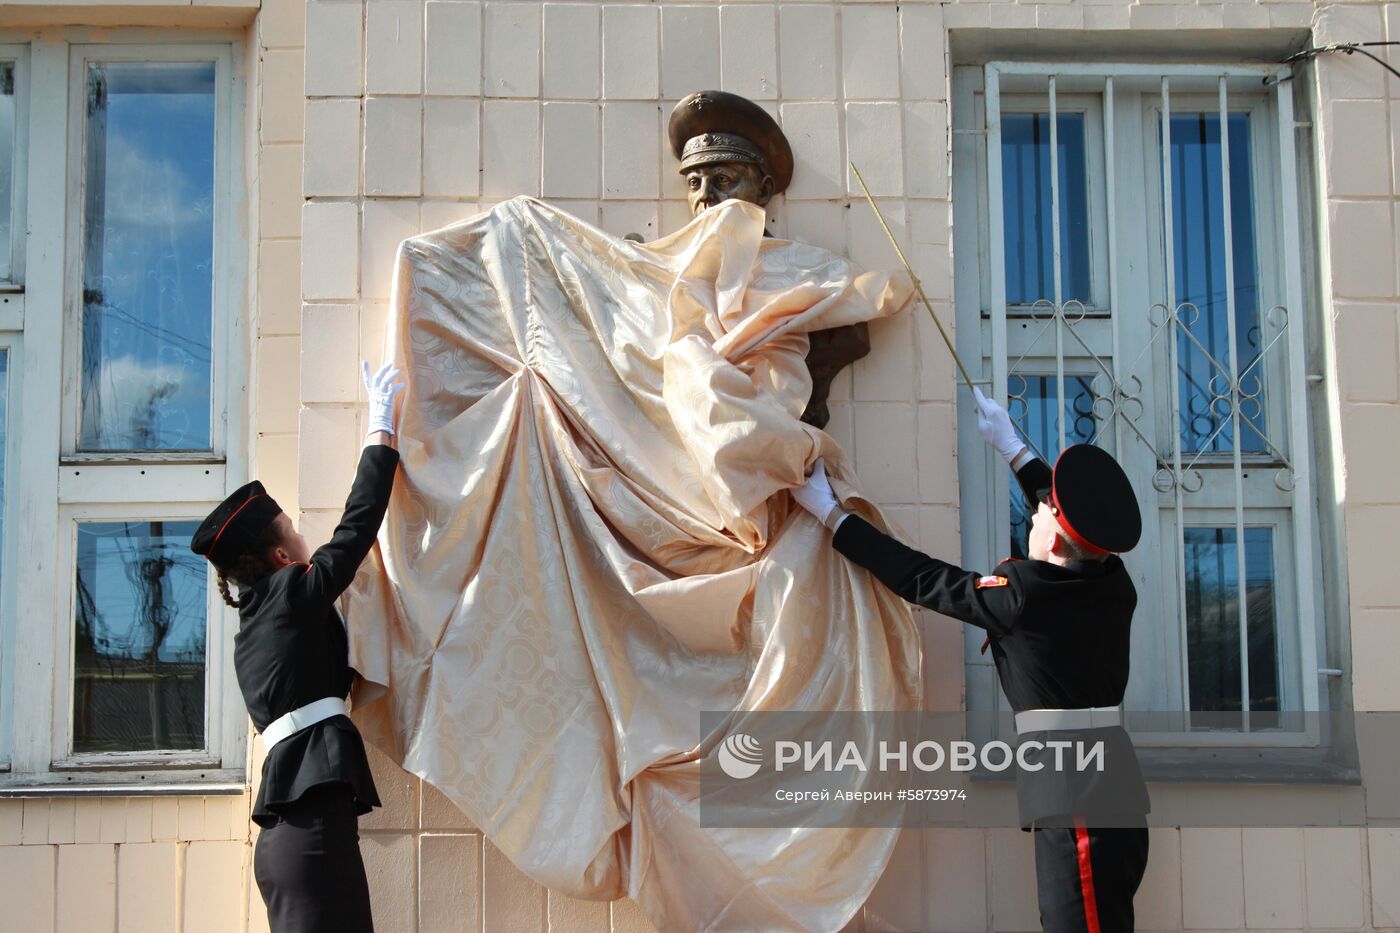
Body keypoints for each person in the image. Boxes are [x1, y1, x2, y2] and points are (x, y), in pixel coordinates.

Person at [792, 388, 1151, 933]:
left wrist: (833, 517)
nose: (1035, 513)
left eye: (1042, 515)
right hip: (1109, 793)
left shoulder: (1023, 593)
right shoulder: (1110, 581)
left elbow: (923, 578)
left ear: (1054, 545)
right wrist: (1013, 450)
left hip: (1078, 805)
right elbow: (1070, 526)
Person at [190, 361, 405, 933]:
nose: (303, 534)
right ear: (283, 559)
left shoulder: (254, 631)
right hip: (309, 837)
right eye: (291, 527)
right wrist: (380, 429)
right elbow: (356, 530)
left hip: (293, 840)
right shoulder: (290, 595)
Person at [668, 89, 870, 429]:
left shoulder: (814, 275)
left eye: (722, 180)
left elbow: (849, 334)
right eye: (693, 182)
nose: (704, 196)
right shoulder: (673, 277)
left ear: (762, 191)